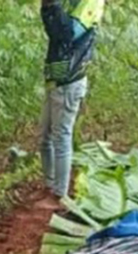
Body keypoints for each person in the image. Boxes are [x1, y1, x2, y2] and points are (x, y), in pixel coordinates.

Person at [36, 0, 101, 211]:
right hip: (56, 77)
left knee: (61, 136)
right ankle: (50, 185)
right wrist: (47, 7)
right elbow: (53, 32)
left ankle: (59, 195)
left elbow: (68, 35)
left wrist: (53, 6)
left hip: (70, 81)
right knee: (44, 136)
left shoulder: (90, 3)